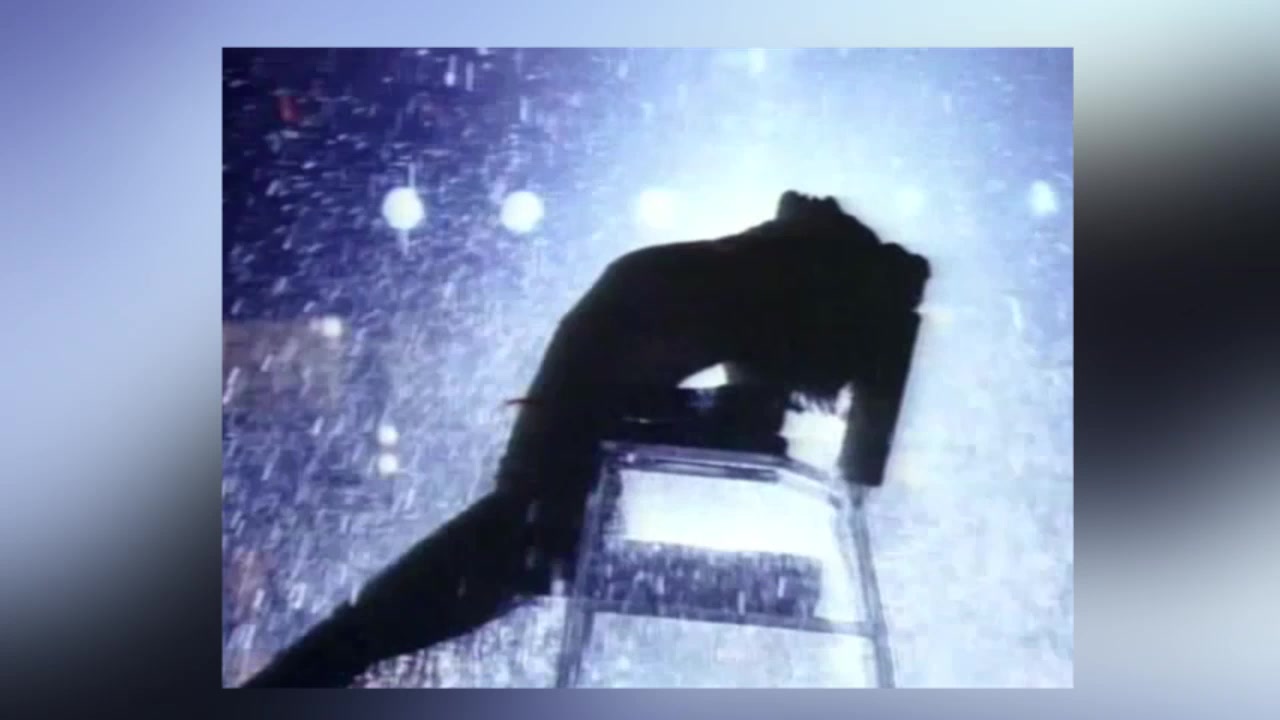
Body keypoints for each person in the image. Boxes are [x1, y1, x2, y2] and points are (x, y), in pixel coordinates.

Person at [242, 190, 931, 687]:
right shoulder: (726, 290)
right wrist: (726, 421)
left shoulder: (721, 280)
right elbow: (738, 418)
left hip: (551, 486)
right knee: (385, 623)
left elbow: (736, 415)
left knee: (382, 623)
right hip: (551, 491)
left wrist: (719, 419)